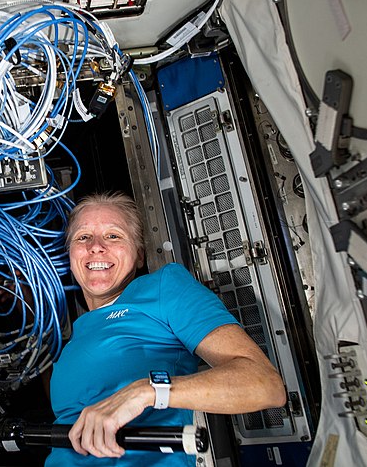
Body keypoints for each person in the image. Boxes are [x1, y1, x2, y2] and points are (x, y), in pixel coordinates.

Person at [47, 192, 286, 466]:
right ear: (70, 254)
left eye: (113, 236)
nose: (96, 247)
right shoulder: (77, 335)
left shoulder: (163, 287)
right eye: (83, 237)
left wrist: (145, 391)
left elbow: (265, 385)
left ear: (139, 255)